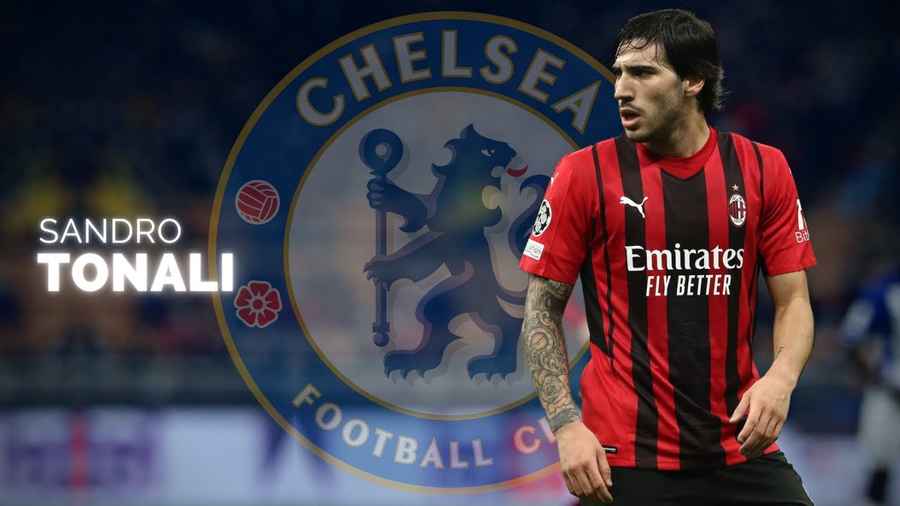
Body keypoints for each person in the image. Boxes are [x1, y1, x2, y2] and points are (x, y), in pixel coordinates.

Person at [519, 9, 816, 505]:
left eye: (642, 73)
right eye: (619, 73)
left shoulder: (764, 168)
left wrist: (780, 380)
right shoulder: (583, 174)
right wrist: (566, 425)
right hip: (624, 458)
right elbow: (540, 310)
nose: (621, 89)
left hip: (739, 447)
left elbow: (794, 301)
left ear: (693, 80)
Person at [840, 263, 900, 506]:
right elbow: (852, 337)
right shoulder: (884, 291)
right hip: (890, 392)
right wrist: (875, 376)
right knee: (879, 463)